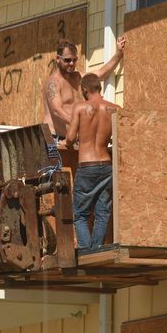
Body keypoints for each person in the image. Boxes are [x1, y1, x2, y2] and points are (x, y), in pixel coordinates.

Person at [65, 73, 120, 254]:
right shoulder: (115, 109)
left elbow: (70, 138)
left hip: (86, 166)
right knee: (102, 212)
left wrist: (70, 142)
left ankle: (85, 251)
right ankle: (96, 250)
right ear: (100, 88)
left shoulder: (80, 107)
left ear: (84, 90)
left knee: (80, 214)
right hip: (106, 165)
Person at [42, 35, 126, 140]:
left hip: (72, 138)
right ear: (58, 59)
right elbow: (57, 111)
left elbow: (101, 74)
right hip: (54, 138)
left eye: (74, 60)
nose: (71, 63)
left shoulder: (77, 77)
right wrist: (81, 125)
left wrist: (119, 53)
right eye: (67, 60)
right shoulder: (53, 83)